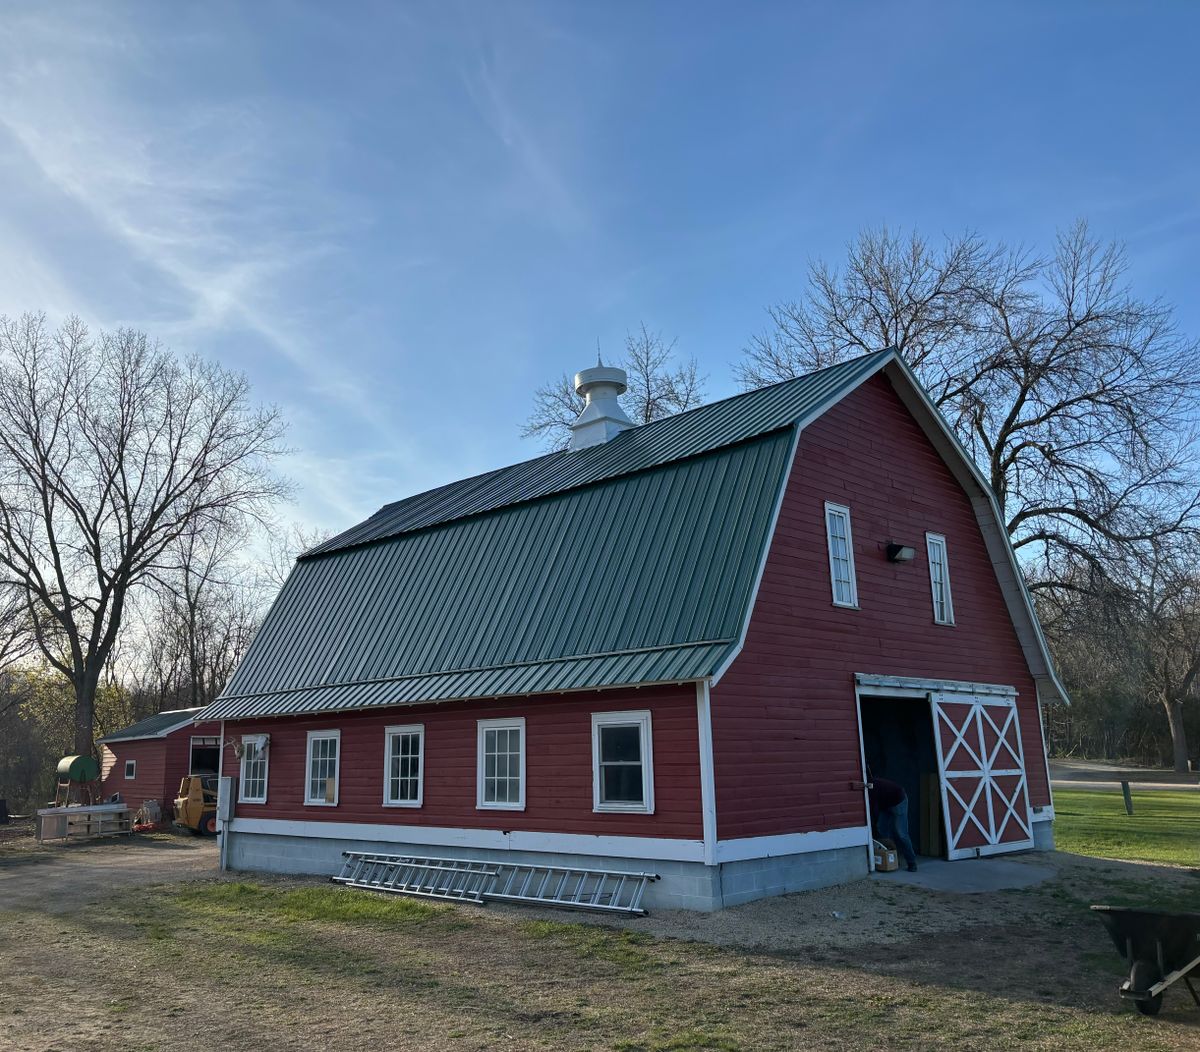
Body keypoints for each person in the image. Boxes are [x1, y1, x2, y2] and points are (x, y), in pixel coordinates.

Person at [867, 768, 918, 872]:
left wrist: (873, 822)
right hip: (885, 805)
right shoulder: (870, 788)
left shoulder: (872, 788)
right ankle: (891, 859)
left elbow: (874, 810)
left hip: (898, 802)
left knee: (901, 833)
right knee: (882, 829)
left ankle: (912, 862)